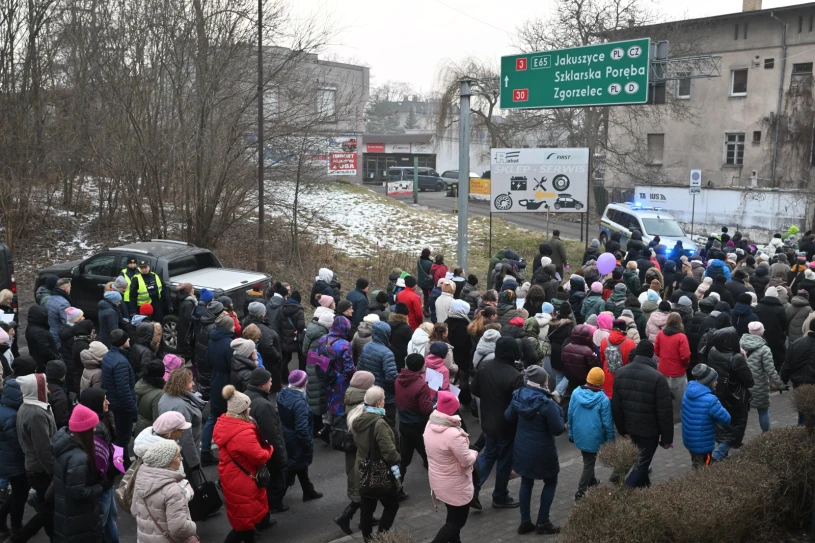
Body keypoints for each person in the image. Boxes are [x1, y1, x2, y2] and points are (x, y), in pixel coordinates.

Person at [504, 365, 563, 535]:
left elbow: (508, 416)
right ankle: (543, 521)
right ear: (542, 381)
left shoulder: (518, 395)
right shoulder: (547, 404)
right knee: (551, 482)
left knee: (526, 482)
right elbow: (558, 429)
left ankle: (525, 522)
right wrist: (559, 411)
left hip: (523, 447)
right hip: (543, 450)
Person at [213, 385, 273, 542]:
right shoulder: (243, 432)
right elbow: (259, 456)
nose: (250, 408)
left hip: (232, 475)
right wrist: (270, 449)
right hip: (244, 480)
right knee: (244, 523)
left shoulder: (226, 423)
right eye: (248, 406)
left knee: (243, 517)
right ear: (242, 410)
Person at [471, 337, 525, 509]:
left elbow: (475, 390)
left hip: (487, 421)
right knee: (504, 461)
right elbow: (518, 405)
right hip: (506, 426)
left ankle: (473, 489)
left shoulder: (484, 367)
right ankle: (500, 496)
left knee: (488, 455)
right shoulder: (515, 376)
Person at [611, 340, 673, 488]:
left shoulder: (620, 373)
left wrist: (621, 429)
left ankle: (645, 488)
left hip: (631, 427)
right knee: (642, 463)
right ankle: (623, 494)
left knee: (640, 459)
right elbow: (664, 412)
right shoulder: (658, 378)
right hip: (650, 430)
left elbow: (616, 406)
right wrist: (667, 438)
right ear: (652, 355)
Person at [424, 391, 478, 543]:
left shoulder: (430, 424)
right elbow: (466, 461)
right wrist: (474, 451)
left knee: (452, 517)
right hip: (455, 485)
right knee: (456, 522)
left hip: (439, 480)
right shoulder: (453, 434)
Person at [351, 386, 401, 543]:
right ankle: (381, 537)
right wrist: (398, 459)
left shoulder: (357, 417)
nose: (385, 402)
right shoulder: (379, 423)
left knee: (367, 507)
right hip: (379, 470)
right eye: (384, 399)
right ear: (379, 403)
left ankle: (367, 539)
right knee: (392, 504)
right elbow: (389, 452)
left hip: (363, 468)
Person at [51, 405, 105, 542]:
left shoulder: (64, 446)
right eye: (92, 427)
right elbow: (78, 492)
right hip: (79, 520)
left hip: (69, 515)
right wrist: (100, 487)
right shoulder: (79, 458)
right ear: (84, 431)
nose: (95, 430)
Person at [15, 374, 57, 542]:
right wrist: (55, 472)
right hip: (41, 470)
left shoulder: (29, 407)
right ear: (37, 390)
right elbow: (43, 450)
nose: (47, 389)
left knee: (48, 508)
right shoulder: (36, 414)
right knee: (49, 510)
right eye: (44, 385)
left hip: (35, 467)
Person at [333, 371, 376, 535]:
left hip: (353, 452)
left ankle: (366, 518)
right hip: (361, 452)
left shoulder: (352, 396)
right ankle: (345, 516)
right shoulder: (362, 404)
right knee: (363, 487)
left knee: (362, 486)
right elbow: (364, 434)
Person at [131, 440, 198, 543]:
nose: (181, 458)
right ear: (167, 461)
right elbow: (179, 528)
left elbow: (134, 510)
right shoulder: (174, 490)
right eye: (178, 456)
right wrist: (193, 527)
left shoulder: (140, 478)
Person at [705, 327, 754, 461]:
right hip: (735, 398)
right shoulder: (736, 358)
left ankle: (721, 455)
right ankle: (716, 458)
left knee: (722, 425)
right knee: (734, 428)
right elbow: (749, 381)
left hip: (718, 393)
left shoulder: (713, 351)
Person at [245, 367, 289, 514]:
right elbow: (273, 434)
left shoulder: (246, 397)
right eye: (270, 381)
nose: (272, 383)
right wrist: (281, 456)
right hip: (267, 451)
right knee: (277, 480)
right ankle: (274, 505)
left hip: (256, 449)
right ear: (262, 384)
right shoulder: (264, 405)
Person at [569, 368, 614, 500]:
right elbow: (607, 424)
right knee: (589, 463)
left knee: (588, 459)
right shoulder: (603, 400)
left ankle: (592, 480)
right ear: (601, 382)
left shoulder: (576, 393)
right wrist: (611, 442)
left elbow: (570, 415)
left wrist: (571, 433)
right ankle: (581, 491)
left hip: (579, 435)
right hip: (594, 438)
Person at [395, 354, 436, 483]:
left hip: (404, 425)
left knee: (402, 460)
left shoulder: (398, 380)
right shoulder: (420, 384)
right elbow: (425, 409)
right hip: (419, 427)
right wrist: (434, 405)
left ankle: (396, 485)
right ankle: (439, 485)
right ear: (419, 366)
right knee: (430, 457)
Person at [201, 315, 235, 466]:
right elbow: (232, 365)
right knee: (229, 417)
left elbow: (207, 361)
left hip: (215, 381)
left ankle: (205, 450)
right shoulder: (228, 343)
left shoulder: (211, 340)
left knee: (213, 417)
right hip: (226, 383)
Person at [681, 364, 732, 468]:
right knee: (705, 468)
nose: (717, 382)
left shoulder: (687, 393)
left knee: (696, 462)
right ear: (708, 382)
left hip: (690, 440)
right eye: (715, 380)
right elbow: (726, 419)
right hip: (703, 444)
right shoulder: (711, 400)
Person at [741, 322, 787, 432]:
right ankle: (766, 435)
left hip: (743, 385)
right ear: (762, 332)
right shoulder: (764, 349)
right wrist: (781, 384)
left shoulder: (740, 344)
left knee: (742, 414)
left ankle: (738, 437)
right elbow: (770, 370)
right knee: (763, 411)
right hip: (759, 385)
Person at [101, 329, 137, 469]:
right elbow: (124, 390)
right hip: (122, 406)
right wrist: (133, 409)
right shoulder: (120, 362)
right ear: (122, 342)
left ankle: (122, 463)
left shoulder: (109, 356)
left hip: (115, 403)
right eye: (127, 339)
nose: (129, 341)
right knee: (123, 439)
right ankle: (119, 465)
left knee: (120, 436)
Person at [158, 369, 205, 471]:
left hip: (174, 451)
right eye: (190, 381)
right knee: (194, 482)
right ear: (181, 384)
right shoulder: (181, 407)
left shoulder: (165, 397)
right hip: (186, 455)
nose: (193, 384)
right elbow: (186, 438)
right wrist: (194, 462)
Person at [358, 321, 398, 429]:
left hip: (369, 392)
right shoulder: (387, 353)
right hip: (385, 396)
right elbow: (391, 377)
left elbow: (360, 368)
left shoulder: (366, 346)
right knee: (388, 424)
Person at [316, 316, 356, 422]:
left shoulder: (322, 339)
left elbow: (316, 358)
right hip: (341, 381)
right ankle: (337, 429)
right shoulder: (345, 345)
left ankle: (327, 424)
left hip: (327, 375)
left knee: (329, 400)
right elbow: (349, 369)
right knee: (339, 405)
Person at [654, 313, 691, 423]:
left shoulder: (660, 334)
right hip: (678, 371)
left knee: (664, 396)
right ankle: (678, 419)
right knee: (679, 398)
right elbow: (685, 356)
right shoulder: (681, 336)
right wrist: (685, 364)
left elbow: (656, 350)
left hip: (663, 370)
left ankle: (666, 418)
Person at [0, 378, 25, 537]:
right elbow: (18, 444)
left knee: (17, 492)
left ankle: (2, 518)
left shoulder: (4, 410)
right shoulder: (13, 416)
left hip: (5, 461)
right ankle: (16, 525)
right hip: (14, 463)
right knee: (20, 494)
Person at [242, 302, 283, 396]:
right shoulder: (260, 328)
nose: (265, 313)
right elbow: (267, 346)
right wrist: (278, 356)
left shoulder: (247, 321)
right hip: (270, 365)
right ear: (260, 314)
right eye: (264, 311)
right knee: (272, 390)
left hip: (265, 362)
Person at [599, 319, 636, 398]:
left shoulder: (604, 341)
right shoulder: (630, 343)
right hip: (623, 378)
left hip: (607, 376)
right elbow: (632, 361)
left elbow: (602, 358)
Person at [754, 286, 788, 370]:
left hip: (761, 336)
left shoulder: (758, 307)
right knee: (776, 358)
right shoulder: (780, 309)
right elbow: (784, 325)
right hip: (776, 337)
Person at [134, 360, 166, 436]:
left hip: (139, 426)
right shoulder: (158, 393)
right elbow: (157, 418)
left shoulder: (141, 383)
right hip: (150, 431)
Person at [280, 292, 306, 380]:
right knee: (301, 357)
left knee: (286, 358)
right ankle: (301, 376)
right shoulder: (299, 310)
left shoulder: (282, 308)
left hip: (285, 337)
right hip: (296, 338)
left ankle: (284, 377)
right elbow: (301, 326)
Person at [26, 305, 59, 373]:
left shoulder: (31, 327)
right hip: (46, 365)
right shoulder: (39, 332)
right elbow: (44, 350)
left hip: (39, 362)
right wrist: (56, 358)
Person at [45, 360, 72, 430]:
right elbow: (62, 419)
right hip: (59, 429)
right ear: (61, 375)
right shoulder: (60, 394)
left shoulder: (43, 385)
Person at [47, 278, 73, 348]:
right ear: (65, 289)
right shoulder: (64, 303)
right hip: (59, 336)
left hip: (51, 332)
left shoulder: (50, 298)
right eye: (70, 287)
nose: (70, 289)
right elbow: (67, 322)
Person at [387, 304, 413, 372]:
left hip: (390, 352)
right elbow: (411, 340)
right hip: (402, 355)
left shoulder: (388, 324)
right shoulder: (406, 328)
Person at [418, 248, 434, 313]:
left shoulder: (419, 260)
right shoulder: (429, 263)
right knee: (427, 295)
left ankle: (425, 308)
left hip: (420, 280)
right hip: (427, 282)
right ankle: (426, 309)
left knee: (425, 295)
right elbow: (430, 272)